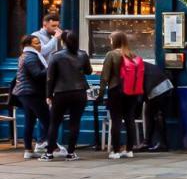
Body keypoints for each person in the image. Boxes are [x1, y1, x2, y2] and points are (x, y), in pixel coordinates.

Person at [45, 30, 91, 161]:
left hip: (61, 92)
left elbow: (50, 78)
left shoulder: (56, 56)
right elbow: (89, 71)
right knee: (75, 123)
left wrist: (48, 95)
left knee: (54, 122)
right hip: (79, 92)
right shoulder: (83, 55)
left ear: (63, 41)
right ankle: (71, 153)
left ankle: (49, 153)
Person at [99, 31, 143, 159]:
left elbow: (104, 77)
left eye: (111, 40)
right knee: (130, 119)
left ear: (115, 41)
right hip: (132, 91)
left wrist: (101, 94)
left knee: (116, 120)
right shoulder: (132, 54)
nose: (110, 42)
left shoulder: (111, 55)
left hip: (116, 90)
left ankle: (116, 151)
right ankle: (129, 150)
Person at [13, 35, 51, 159]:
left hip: (25, 93)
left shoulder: (25, 56)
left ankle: (28, 150)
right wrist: (50, 67)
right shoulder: (30, 57)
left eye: (39, 42)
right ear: (28, 45)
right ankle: (54, 148)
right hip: (32, 93)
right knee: (48, 120)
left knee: (29, 121)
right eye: (36, 43)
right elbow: (37, 74)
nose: (39, 45)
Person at [142, 59, 174, 152]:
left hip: (156, 89)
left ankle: (153, 143)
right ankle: (150, 142)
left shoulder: (134, 67)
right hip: (165, 85)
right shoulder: (142, 64)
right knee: (154, 113)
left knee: (153, 114)